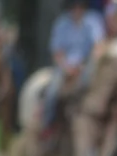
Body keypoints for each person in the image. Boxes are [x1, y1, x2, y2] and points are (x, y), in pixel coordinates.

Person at [43, 0, 107, 134]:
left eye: (80, 6)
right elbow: (57, 53)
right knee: (52, 92)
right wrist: (67, 68)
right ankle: (48, 124)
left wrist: (87, 63)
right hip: (65, 66)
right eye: (74, 6)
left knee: (93, 84)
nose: (77, 9)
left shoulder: (93, 21)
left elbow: (98, 46)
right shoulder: (61, 23)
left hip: (86, 65)